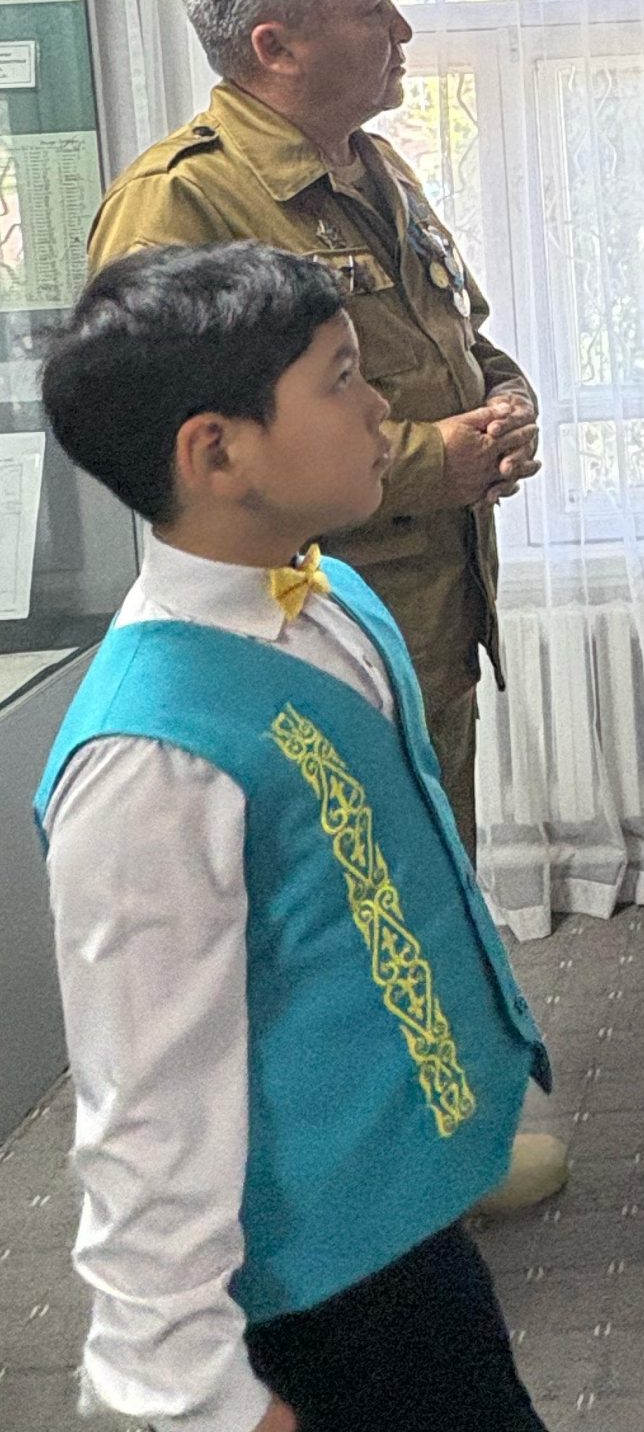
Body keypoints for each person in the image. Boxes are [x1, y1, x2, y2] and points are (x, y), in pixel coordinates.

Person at [36, 241, 552, 1432]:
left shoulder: (330, 594)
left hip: (400, 1213)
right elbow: (143, 1108)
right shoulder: (148, 759)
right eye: (341, 379)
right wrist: (203, 1395)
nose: (380, 407)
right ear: (216, 452)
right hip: (312, 1280)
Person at [89, 0, 534, 861]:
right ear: (276, 46)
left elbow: (455, 333)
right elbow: (170, 444)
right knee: (343, 908)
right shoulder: (178, 201)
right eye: (373, 6)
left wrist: (504, 402)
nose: (402, 29)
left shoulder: (380, 169)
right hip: (300, 650)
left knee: (432, 882)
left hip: (429, 618)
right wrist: (430, 462)